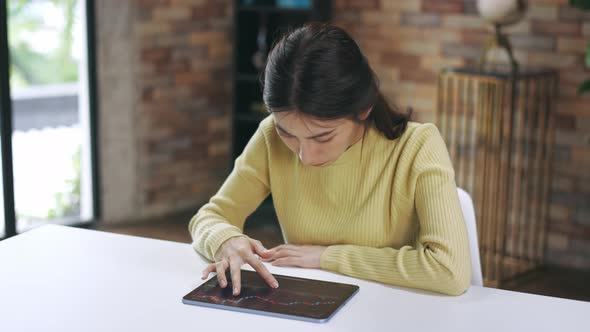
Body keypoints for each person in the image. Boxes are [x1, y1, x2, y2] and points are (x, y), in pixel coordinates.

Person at [189, 23, 471, 296]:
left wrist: (327, 257)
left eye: (322, 138)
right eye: (287, 133)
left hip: (396, 310)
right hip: (311, 305)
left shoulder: (418, 146)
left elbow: (449, 271)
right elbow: (210, 217)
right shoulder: (269, 139)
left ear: (363, 109)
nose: (304, 156)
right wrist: (225, 240)